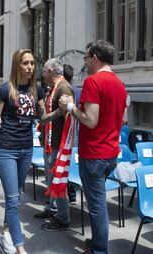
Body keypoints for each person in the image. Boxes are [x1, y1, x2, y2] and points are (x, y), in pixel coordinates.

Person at [0, 49, 63, 254]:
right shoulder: (4, 90)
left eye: (32, 63)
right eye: (25, 63)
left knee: (16, 196)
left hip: (26, 149)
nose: (30, 67)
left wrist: (62, 110)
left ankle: (5, 232)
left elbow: (42, 118)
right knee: (11, 199)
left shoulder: (37, 89)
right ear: (17, 65)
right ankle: (20, 248)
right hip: (7, 150)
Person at [59, 40, 127, 254]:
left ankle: (99, 249)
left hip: (94, 154)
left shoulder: (93, 82)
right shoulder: (119, 83)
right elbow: (123, 119)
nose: (85, 62)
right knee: (98, 203)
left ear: (95, 58)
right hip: (110, 153)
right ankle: (97, 242)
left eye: (86, 58)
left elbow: (90, 120)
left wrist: (70, 107)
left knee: (97, 206)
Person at [34, 58, 74, 232]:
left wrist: (65, 146)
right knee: (51, 181)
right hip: (51, 143)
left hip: (58, 144)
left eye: (43, 70)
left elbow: (68, 117)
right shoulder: (55, 88)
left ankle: (63, 218)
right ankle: (53, 209)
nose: (42, 74)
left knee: (58, 183)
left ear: (50, 71)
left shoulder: (64, 88)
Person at [63, 63, 80, 205]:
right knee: (71, 164)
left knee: (64, 164)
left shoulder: (64, 90)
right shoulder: (78, 91)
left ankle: (63, 198)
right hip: (75, 133)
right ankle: (72, 195)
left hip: (65, 134)